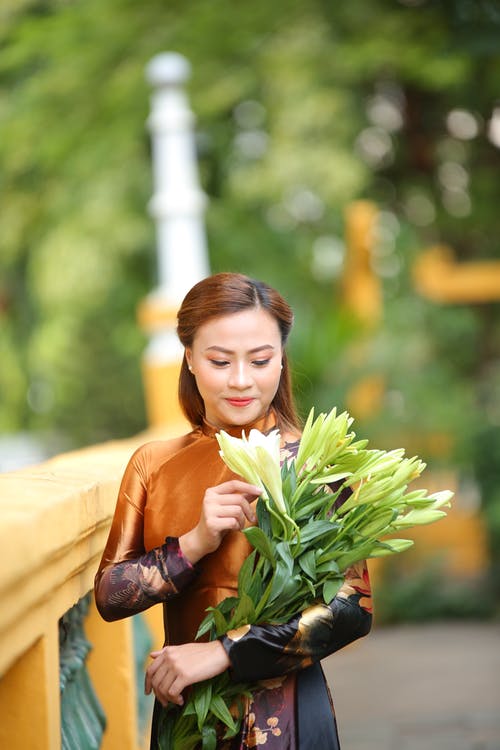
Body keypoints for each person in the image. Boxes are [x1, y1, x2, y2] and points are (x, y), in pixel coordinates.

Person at [94, 272, 372, 749]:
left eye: (260, 360)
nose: (242, 380)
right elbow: (109, 596)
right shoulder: (153, 465)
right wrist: (193, 544)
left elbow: (352, 609)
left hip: (289, 723)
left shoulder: (315, 463)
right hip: (187, 724)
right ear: (189, 359)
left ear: (281, 358)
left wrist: (225, 651)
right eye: (220, 361)